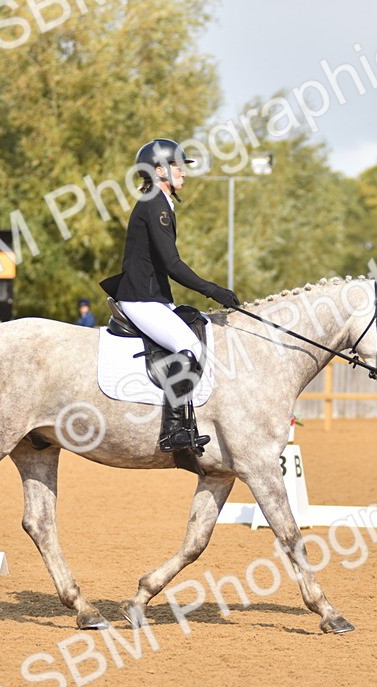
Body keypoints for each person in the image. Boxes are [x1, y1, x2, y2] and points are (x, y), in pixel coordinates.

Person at [99, 138, 239, 453]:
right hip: (140, 299)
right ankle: (174, 429)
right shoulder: (154, 204)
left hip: (154, 297)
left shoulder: (160, 201)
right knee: (188, 346)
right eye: (178, 166)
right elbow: (171, 263)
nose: (184, 173)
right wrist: (213, 289)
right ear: (160, 169)